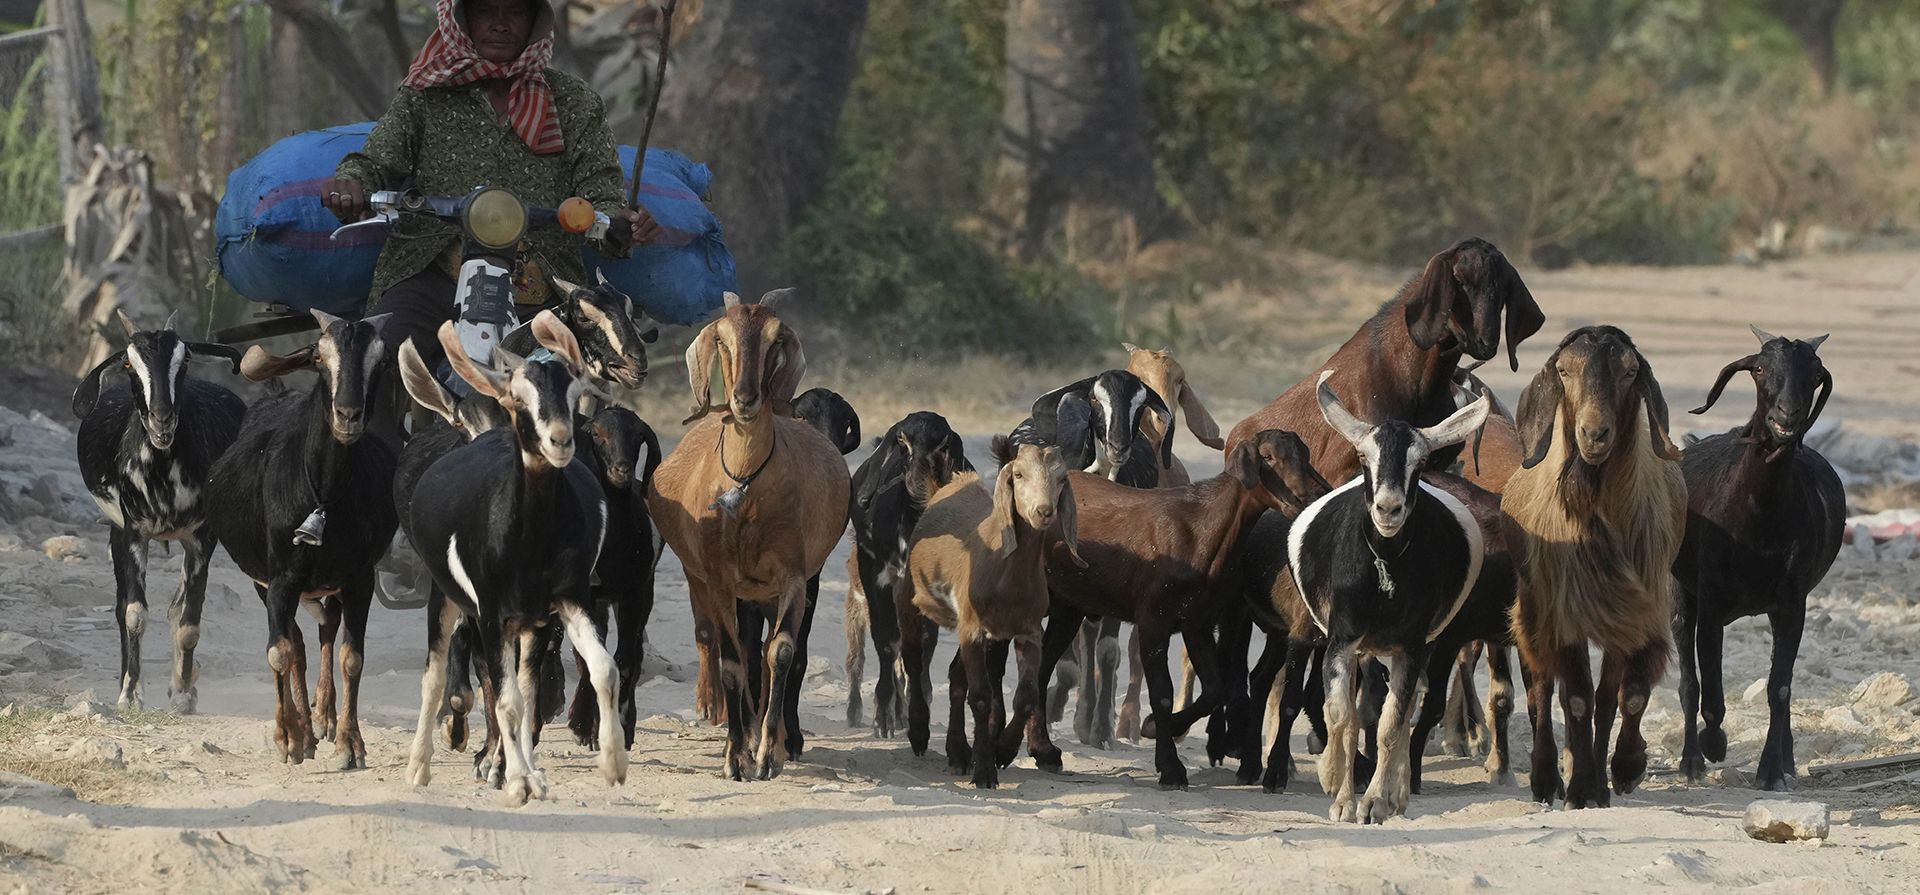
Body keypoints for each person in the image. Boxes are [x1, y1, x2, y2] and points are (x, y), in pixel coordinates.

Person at [321, 0, 663, 372]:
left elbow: (602, 193)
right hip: (430, 273)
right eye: (485, 11)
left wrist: (618, 223)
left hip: (540, 286)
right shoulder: (426, 93)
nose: (500, 24)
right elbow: (376, 161)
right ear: (463, 20)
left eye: (515, 12)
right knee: (373, 365)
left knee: (563, 392)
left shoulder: (575, 102)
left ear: (535, 23)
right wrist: (352, 184)